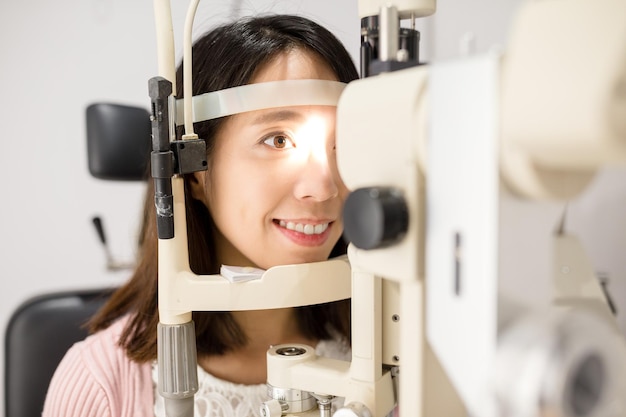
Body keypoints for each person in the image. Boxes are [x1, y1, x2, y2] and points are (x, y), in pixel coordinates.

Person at [42, 13, 359, 417]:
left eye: (341, 142)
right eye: (278, 140)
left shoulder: (391, 358)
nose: (324, 186)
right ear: (192, 171)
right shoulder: (103, 385)